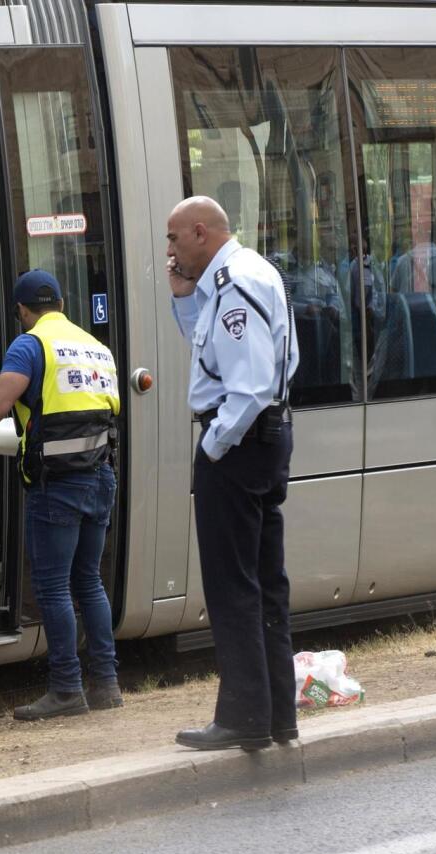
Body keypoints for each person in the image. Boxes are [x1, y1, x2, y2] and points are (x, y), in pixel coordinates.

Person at [164, 196, 300, 751]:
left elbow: (247, 385)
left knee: (232, 585)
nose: (170, 251)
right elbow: (215, 351)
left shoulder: (235, 284)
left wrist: (215, 446)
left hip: (239, 442)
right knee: (267, 582)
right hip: (267, 439)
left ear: (201, 232)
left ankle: (244, 715)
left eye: (175, 238)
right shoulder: (245, 273)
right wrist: (182, 300)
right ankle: (276, 713)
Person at [0, 270, 122, 720]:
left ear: (21, 310)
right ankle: (107, 684)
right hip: (100, 476)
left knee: (52, 588)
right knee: (89, 581)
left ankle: (67, 688)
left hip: (57, 485)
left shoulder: (30, 344)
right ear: (63, 302)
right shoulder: (95, 347)